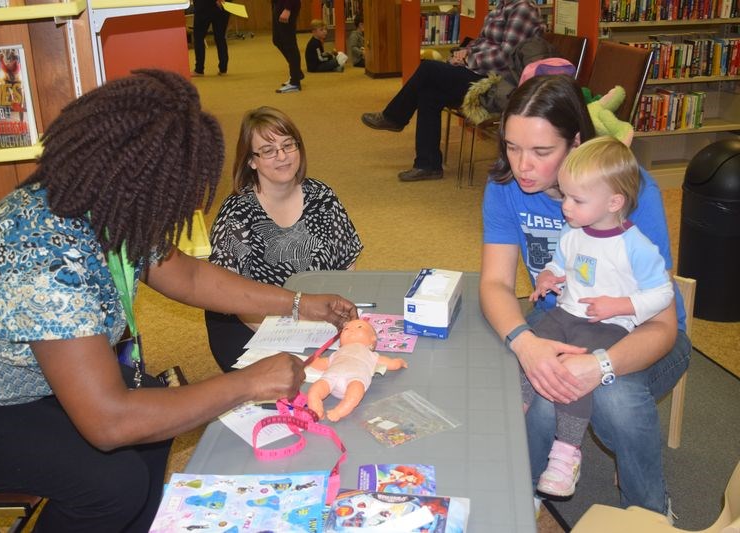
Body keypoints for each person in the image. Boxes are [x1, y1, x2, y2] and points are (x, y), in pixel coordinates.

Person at [0, 70, 358, 532]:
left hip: (16, 377)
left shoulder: (107, 204)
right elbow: (110, 422)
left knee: (156, 413)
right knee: (111, 483)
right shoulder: (44, 256)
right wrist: (248, 383)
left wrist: (299, 303)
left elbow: (191, 274)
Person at [479, 74, 690, 517]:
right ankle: (529, 487)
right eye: (512, 147)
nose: (522, 167)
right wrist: (526, 342)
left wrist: (598, 366)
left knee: (611, 395)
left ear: (576, 144)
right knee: (536, 378)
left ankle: (649, 511)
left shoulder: (629, 192)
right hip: (567, 320)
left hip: (639, 329)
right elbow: (495, 284)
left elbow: (663, 323)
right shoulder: (504, 189)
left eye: (541, 152)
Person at [521, 136, 674, 498]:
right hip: (566, 314)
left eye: (577, 200)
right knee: (530, 351)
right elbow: (560, 264)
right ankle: (519, 411)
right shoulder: (573, 233)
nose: (566, 207)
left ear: (614, 202)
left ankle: (566, 452)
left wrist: (619, 306)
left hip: (609, 327)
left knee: (575, 377)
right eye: (565, 196)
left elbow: (662, 294)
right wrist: (547, 277)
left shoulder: (635, 245)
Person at [206, 106, 362, 373]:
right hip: (249, 323)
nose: (282, 156)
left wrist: (333, 319)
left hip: (316, 320)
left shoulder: (322, 196)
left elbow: (347, 268)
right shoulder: (237, 212)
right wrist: (288, 343)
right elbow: (233, 296)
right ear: (251, 161)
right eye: (268, 150)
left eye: (288, 145)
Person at [360, 0, 543, 182]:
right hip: (478, 70)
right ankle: (427, 165)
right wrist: (464, 52)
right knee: (429, 92)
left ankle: (394, 117)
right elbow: (482, 42)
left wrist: (468, 59)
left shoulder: (523, 9)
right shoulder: (502, 6)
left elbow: (505, 58)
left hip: (495, 83)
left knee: (428, 69)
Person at [307, 319, 407, 421]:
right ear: (340, 344)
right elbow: (322, 363)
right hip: (331, 376)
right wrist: (312, 360)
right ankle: (316, 410)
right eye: (346, 329)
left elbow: (391, 364)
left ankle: (339, 411)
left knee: (356, 391)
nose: (350, 330)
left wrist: (399, 362)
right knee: (314, 390)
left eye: (359, 327)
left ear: (372, 339)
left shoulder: (371, 355)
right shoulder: (336, 354)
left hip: (355, 378)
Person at [192, 0, 230, 76]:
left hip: (204, 6)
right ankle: (223, 69)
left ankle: (199, 69)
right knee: (220, 38)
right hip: (222, 6)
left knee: (198, 37)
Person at [272, 0, 303, 93]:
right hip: (278, 4)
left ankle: (295, 82)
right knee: (277, 40)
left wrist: (288, 8)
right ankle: (296, 72)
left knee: (290, 43)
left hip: (287, 4)